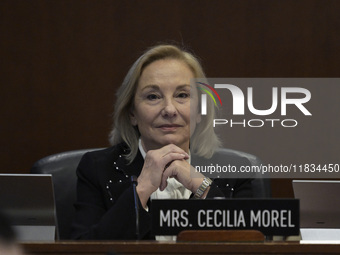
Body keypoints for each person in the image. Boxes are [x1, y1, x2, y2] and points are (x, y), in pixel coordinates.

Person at [71, 44, 254, 240]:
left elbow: (253, 246)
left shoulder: (235, 171)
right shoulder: (97, 169)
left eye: (182, 95)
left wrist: (200, 186)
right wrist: (141, 189)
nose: (169, 110)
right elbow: (83, 248)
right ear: (132, 113)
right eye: (153, 96)